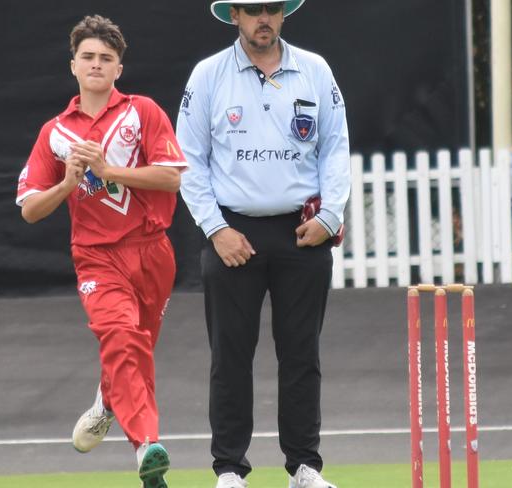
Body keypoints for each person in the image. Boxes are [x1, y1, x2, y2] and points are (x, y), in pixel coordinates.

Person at [176, 1, 350, 487]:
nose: (263, 19)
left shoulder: (314, 70)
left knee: (301, 355)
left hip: (302, 230)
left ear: (284, 14)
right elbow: (187, 158)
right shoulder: (209, 75)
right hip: (233, 232)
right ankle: (230, 469)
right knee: (230, 356)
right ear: (234, 15)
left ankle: (304, 467)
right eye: (253, 11)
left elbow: (336, 147)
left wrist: (331, 215)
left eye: (272, 9)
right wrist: (216, 228)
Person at [15, 14, 187, 488]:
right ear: (73, 65)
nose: (96, 64)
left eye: (105, 59)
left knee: (138, 348)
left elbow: (171, 176)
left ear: (118, 69)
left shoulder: (143, 111)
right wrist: (67, 183)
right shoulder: (54, 132)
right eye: (87, 57)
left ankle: (107, 402)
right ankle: (147, 449)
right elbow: (30, 208)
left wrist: (110, 170)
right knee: (121, 338)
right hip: (96, 256)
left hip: (152, 251)